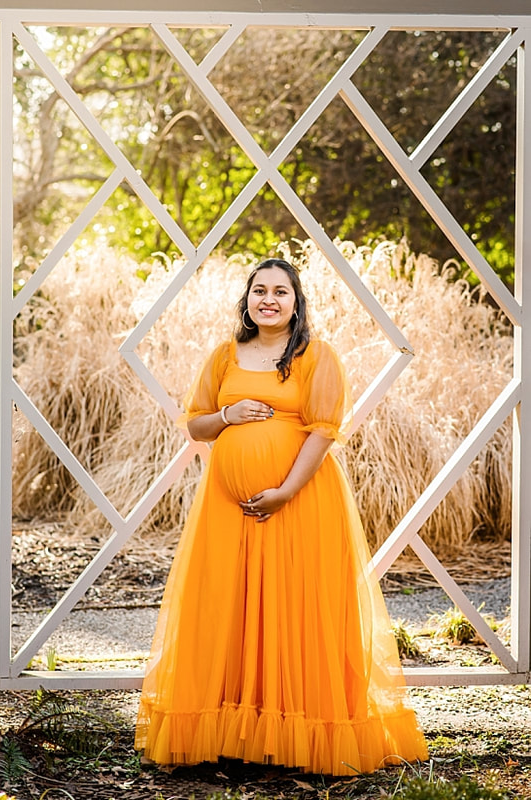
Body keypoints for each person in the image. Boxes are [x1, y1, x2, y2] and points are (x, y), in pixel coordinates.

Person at [135, 258, 427, 776]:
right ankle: (233, 732)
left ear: (297, 302)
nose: (268, 299)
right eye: (259, 290)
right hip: (227, 510)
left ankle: (303, 733)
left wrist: (285, 490)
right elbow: (198, 426)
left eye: (280, 292)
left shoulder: (316, 358)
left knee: (296, 607)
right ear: (246, 299)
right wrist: (229, 415)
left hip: (300, 502)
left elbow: (322, 432)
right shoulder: (224, 356)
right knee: (229, 604)